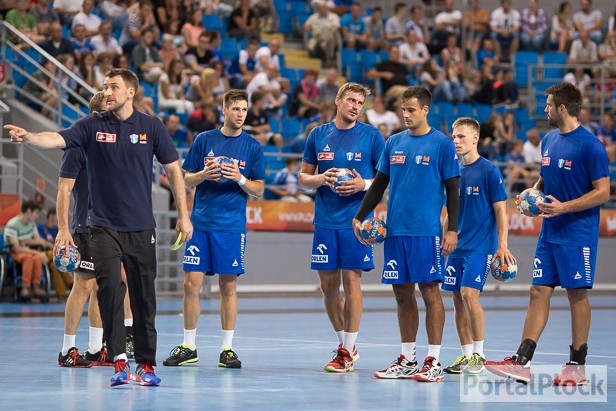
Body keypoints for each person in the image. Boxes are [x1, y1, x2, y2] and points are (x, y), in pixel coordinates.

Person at [5, 68, 193, 387]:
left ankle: (144, 364)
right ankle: (116, 360)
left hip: (140, 227)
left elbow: (174, 170)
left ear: (131, 92)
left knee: (142, 296)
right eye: (105, 87)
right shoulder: (91, 128)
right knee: (105, 292)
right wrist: (31, 137)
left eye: (114, 87)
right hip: (98, 226)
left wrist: (183, 213)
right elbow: (59, 140)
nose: (108, 91)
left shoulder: (151, 127)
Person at [484, 83, 610, 385]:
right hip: (549, 232)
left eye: (549, 105)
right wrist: (532, 194)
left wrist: (565, 207)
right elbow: (545, 175)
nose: (545, 110)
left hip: (577, 233)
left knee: (576, 294)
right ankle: (521, 361)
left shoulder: (590, 146)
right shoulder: (549, 140)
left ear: (562, 108)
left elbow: (603, 192)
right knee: (538, 291)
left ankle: (576, 366)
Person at [352, 86, 460, 381]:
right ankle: (408, 358)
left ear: (425, 109)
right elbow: (378, 185)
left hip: (426, 232)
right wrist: (360, 216)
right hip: (395, 231)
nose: (406, 114)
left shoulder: (442, 144)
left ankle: (433, 361)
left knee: (430, 292)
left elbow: (453, 189)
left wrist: (452, 229)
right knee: (402, 295)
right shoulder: (393, 143)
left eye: (411, 110)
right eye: (403, 110)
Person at [163, 89, 265, 369]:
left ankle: (227, 349)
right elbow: (185, 179)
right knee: (190, 284)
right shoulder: (204, 140)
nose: (241, 114)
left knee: (228, 287)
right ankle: (189, 345)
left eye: (244, 109)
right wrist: (203, 175)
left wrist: (241, 178)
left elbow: (258, 189)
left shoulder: (252, 146)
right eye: (236, 109)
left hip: (231, 228)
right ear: (224, 109)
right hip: (202, 224)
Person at [298, 83, 385, 373]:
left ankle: (346, 349)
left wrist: (364, 184)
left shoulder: (372, 136)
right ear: (338, 101)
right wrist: (321, 178)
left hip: (356, 220)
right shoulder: (317, 135)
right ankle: (345, 344)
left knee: (352, 281)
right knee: (327, 286)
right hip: (325, 221)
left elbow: (388, 180)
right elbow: (302, 178)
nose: (355, 106)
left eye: (360, 103)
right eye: (351, 100)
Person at [57, 91, 134, 368]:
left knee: (103, 286)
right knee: (84, 285)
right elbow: (64, 190)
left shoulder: (109, 146)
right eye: (108, 112)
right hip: (84, 226)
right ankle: (67, 350)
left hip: (108, 227)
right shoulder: (77, 145)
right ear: (95, 116)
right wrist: (63, 230)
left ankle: (94, 349)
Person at [441, 117, 514, 375]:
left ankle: (479, 355)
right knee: (457, 301)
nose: (456, 141)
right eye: (454, 136)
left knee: (469, 295)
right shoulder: (453, 171)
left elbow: (501, 211)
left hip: (481, 247)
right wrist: (443, 237)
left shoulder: (489, 170)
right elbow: (449, 210)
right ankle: (465, 355)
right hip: (456, 247)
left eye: (461, 137)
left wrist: (502, 245)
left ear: (475, 139)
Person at [3, 200, 50, 300]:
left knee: (37, 258)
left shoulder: (31, 224)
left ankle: (36, 286)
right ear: (29, 211)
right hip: (13, 253)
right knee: (30, 257)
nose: (37, 216)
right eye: (36, 212)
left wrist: (24, 241)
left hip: (26, 250)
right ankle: (25, 287)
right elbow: (16, 248)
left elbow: (39, 240)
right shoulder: (13, 224)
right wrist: (36, 251)